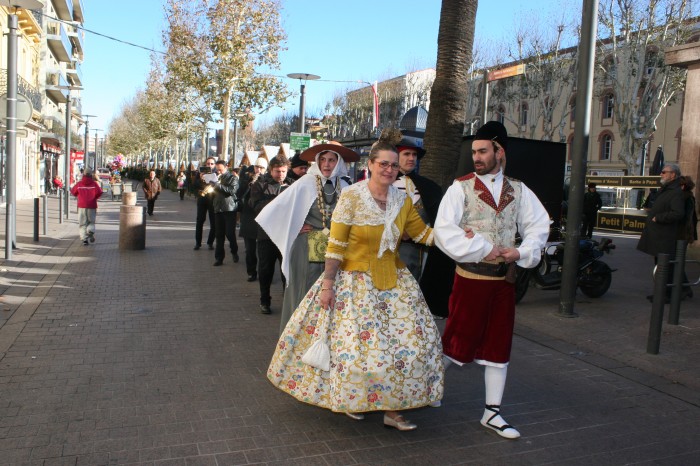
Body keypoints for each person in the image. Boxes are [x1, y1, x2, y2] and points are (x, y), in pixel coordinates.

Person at [267, 131, 443, 431]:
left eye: (393, 165)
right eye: (383, 164)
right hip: (355, 282)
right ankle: (353, 397)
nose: (389, 169)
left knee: (406, 345)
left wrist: (461, 238)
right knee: (358, 350)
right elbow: (336, 245)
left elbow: (423, 234)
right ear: (371, 165)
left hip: (395, 283)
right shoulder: (352, 196)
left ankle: (392, 409)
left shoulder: (402, 200)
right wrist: (327, 285)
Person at [434, 121, 550, 440]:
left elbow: (539, 226)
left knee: (499, 345)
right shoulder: (461, 187)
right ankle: (427, 388)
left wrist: (521, 251)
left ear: (500, 151)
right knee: (457, 341)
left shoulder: (518, 189)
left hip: (505, 283)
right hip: (471, 279)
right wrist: (484, 247)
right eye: (474, 151)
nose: (477, 157)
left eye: (483, 151)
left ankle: (492, 412)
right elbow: (444, 230)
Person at [256, 141, 358, 334]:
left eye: (332, 160)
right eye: (323, 160)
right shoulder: (305, 183)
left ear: (339, 162)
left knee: (333, 293)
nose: (327, 164)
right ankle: (297, 340)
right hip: (306, 246)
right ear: (317, 162)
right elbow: (273, 211)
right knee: (305, 290)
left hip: (337, 248)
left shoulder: (346, 186)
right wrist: (295, 224)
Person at [637, 163, 686, 302]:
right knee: (660, 267)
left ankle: (665, 295)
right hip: (658, 235)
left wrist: (659, 217)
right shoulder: (666, 189)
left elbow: (678, 213)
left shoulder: (675, 192)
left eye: (664, 172)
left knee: (665, 267)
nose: (661, 174)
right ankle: (661, 293)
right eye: (662, 172)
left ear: (673, 175)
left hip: (664, 237)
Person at [251, 155, 294, 314]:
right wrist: (278, 199)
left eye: (283, 171)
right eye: (277, 171)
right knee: (265, 270)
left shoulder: (292, 185)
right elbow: (255, 206)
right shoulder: (260, 185)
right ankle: (264, 300)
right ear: (271, 170)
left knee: (286, 272)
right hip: (266, 235)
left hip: (286, 235)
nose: (281, 175)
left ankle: (287, 301)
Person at [237, 157, 268, 281]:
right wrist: (248, 183)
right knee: (249, 249)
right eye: (257, 167)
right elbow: (239, 194)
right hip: (248, 217)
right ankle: (251, 272)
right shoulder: (246, 178)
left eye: (261, 168)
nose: (258, 170)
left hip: (262, 218)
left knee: (263, 250)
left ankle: (264, 273)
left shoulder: (268, 180)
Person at [211, 160, 240, 266]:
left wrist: (217, 185)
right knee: (219, 235)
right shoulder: (216, 177)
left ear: (226, 167)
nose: (218, 172)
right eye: (217, 169)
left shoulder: (232, 178)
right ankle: (219, 258)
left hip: (229, 209)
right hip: (218, 208)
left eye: (220, 169)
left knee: (229, 233)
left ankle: (234, 251)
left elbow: (231, 191)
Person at [70, 168, 103, 245]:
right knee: (91, 221)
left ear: (83, 174)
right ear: (91, 175)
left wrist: (79, 196)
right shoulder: (94, 184)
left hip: (81, 205)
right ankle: (90, 232)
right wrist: (95, 198)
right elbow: (99, 192)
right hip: (92, 205)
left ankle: (84, 239)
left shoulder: (79, 184)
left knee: (82, 223)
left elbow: (73, 192)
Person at [193, 157, 217, 250]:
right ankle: (198, 243)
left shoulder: (217, 173)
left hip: (213, 200)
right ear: (205, 164)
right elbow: (194, 184)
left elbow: (218, 185)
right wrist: (200, 179)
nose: (209, 165)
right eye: (208, 163)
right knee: (199, 221)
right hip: (202, 199)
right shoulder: (200, 173)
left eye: (211, 163)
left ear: (214, 165)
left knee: (213, 223)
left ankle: (210, 242)